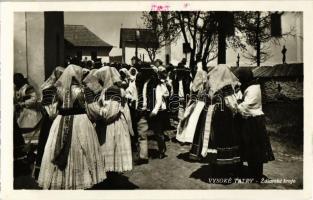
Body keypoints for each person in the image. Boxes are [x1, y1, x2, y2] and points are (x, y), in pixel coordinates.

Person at [37, 64, 106, 189]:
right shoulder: (84, 90)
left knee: (58, 147)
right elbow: (92, 109)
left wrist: (59, 117)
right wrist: (98, 115)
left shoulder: (59, 90)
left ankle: (61, 180)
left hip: (61, 120)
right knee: (82, 148)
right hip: (81, 122)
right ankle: (80, 179)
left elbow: (52, 112)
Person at [235, 68, 275, 183]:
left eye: (241, 78)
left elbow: (247, 105)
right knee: (250, 148)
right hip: (249, 121)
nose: (240, 80)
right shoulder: (248, 85)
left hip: (254, 121)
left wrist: (237, 106)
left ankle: (257, 175)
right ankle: (252, 172)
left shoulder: (253, 88)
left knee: (256, 149)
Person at [95, 66, 134, 172]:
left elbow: (111, 111)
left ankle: (111, 174)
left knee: (111, 145)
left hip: (112, 122)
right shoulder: (112, 89)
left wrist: (99, 113)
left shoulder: (112, 90)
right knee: (113, 147)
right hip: (114, 121)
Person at [34, 66, 65, 180]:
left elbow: (42, 105)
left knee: (47, 142)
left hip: (49, 118)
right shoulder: (57, 88)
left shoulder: (46, 87)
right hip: (55, 118)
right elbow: (51, 108)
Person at [135, 63, 159, 164]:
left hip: (153, 111)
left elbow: (159, 98)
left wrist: (154, 111)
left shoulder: (156, 83)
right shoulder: (139, 83)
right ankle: (143, 156)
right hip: (142, 110)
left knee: (158, 133)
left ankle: (161, 149)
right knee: (142, 134)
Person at [14, 73, 42, 144]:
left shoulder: (28, 88)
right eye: (14, 80)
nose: (15, 82)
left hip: (29, 112)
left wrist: (22, 104)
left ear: (22, 80)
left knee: (30, 133)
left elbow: (33, 99)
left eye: (17, 80)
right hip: (19, 112)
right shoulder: (15, 89)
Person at [149, 66, 170, 158]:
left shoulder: (159, 84)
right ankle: (162, 148)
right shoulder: (152, 84)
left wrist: (154, 111)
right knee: (157, 131)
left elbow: (165, 95)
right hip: (156, 109)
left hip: (160, 110)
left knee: (158, 131)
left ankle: (162, 150)